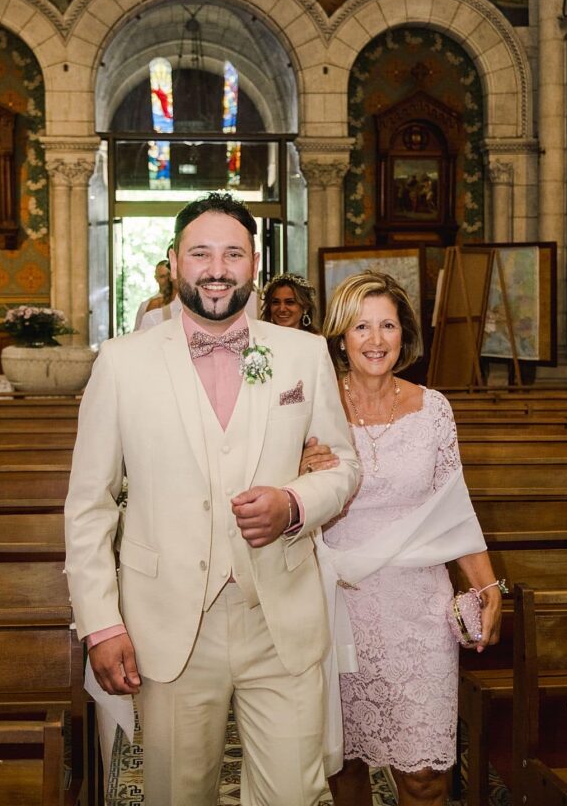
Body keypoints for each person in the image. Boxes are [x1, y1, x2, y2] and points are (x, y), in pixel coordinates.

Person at [64, 191, 360, 806]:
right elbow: (89, 505)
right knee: (177, 795)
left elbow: (344, 465)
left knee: (293, 797)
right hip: (168, 623)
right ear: (174, 262)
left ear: (254, 262)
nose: (217, 268)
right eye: (200, 253)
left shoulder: (302, 355)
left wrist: (294, 503)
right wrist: (101, 624)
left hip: (279, 616)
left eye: (233, 253)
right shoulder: (122, 363)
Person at [303, 270, 502, 806]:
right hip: (337, 602)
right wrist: (298, 470)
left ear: (403, 333)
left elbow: (454, 510)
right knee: (343, 765)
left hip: (417, 607)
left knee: (424, 775)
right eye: (360, 326)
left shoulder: (433, 409)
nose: (374, 339)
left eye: (386, 325)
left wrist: (487, 589)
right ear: (340, 337)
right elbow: (285, 504)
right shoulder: (311, 410)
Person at [133, 258, 172, 330]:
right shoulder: (146, 305)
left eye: (168, 275)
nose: (167, 279)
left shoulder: (182, 303)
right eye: (162, 276)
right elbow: (137, 334)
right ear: (156, 278)